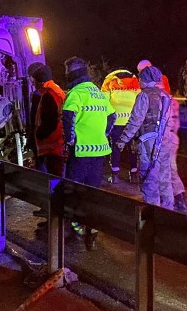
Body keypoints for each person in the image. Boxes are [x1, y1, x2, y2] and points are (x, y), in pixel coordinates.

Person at [61, 57, 115, 248]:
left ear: (71, 73)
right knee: (93, 191)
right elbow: (112, 116)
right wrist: (102, 134)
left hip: (81, 152)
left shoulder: (75, 93)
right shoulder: (98, 93)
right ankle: (92, 228)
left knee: (74, 190)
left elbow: (68, 117)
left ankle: (77, 226)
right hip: (99, 152)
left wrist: (70, 140)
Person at [115, 65, 174, 208]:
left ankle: (153, 211)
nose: (139, 82)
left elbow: (135, 121)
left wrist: (122, 140)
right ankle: (168, 212)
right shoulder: (165, 95)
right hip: (165, 142)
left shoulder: (144, 96)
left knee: (149, 179)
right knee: (165, 180)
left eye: (141, 79)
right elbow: (170, 122)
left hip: (148, 143)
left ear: (146, 80)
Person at [101, 68, 139, 182]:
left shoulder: (109, 81)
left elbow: (103, 101)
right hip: (131, 122)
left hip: (116, 121)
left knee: (116, 147)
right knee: (132, 149)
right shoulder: (134, 81)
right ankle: (133, 175)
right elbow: (140, 100)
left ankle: (115, 175)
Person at [31, 64, 66, 177]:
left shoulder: (48, 94)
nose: (33, 85)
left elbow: (50, 121)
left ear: (40, 82)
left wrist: (38, 134)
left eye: (34, 82)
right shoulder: (57, 90)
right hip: (58, 142)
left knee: (53, 179)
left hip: (51, 145)